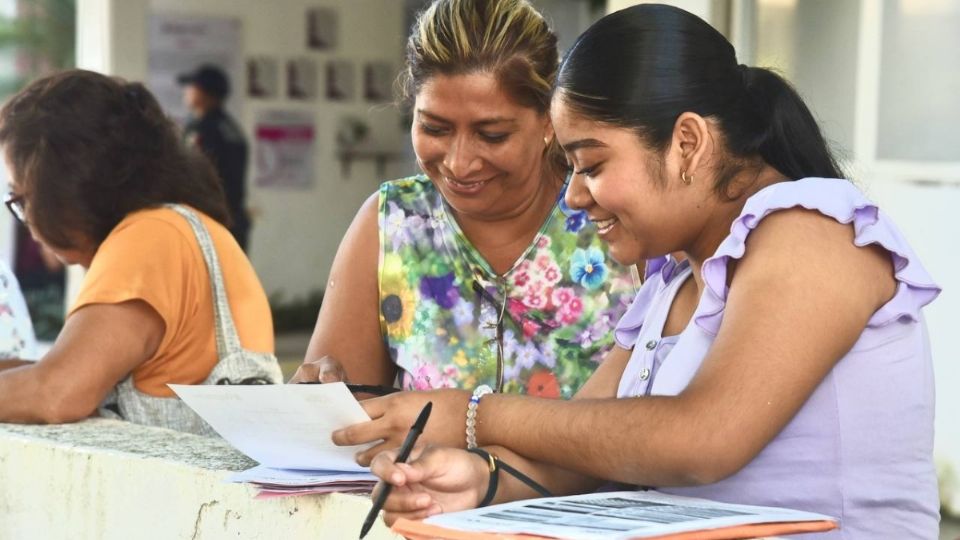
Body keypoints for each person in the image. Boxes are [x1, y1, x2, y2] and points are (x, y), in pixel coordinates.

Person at [364, 5, 940, 538]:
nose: (574, 198)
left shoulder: (812, 231)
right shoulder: (674, 279)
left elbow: (701, 440)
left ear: (687, 142)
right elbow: (585, 443)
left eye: (590, 165)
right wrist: (478, 477)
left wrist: (472, 414)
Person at [291, 0, 638, 451]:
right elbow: (347, 425)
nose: (458, 163)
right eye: (434, 128)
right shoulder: (393, 224)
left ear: (549, 120)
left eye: (492, 135)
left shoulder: (613, 218)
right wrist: (320, 399)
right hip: (420, 516)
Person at [0, 70, 282, 432]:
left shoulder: (150, 237)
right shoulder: (177, 226)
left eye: (22, 199)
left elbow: (56, 392)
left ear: (67, 185)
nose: (27, 220)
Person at [178, 64, 252, 251]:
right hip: (233, 221)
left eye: (192, 87)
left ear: (205, 93)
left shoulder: (201, 130)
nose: (186, 92)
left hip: (208, 223)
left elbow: (189, 175)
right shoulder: (232, 129)